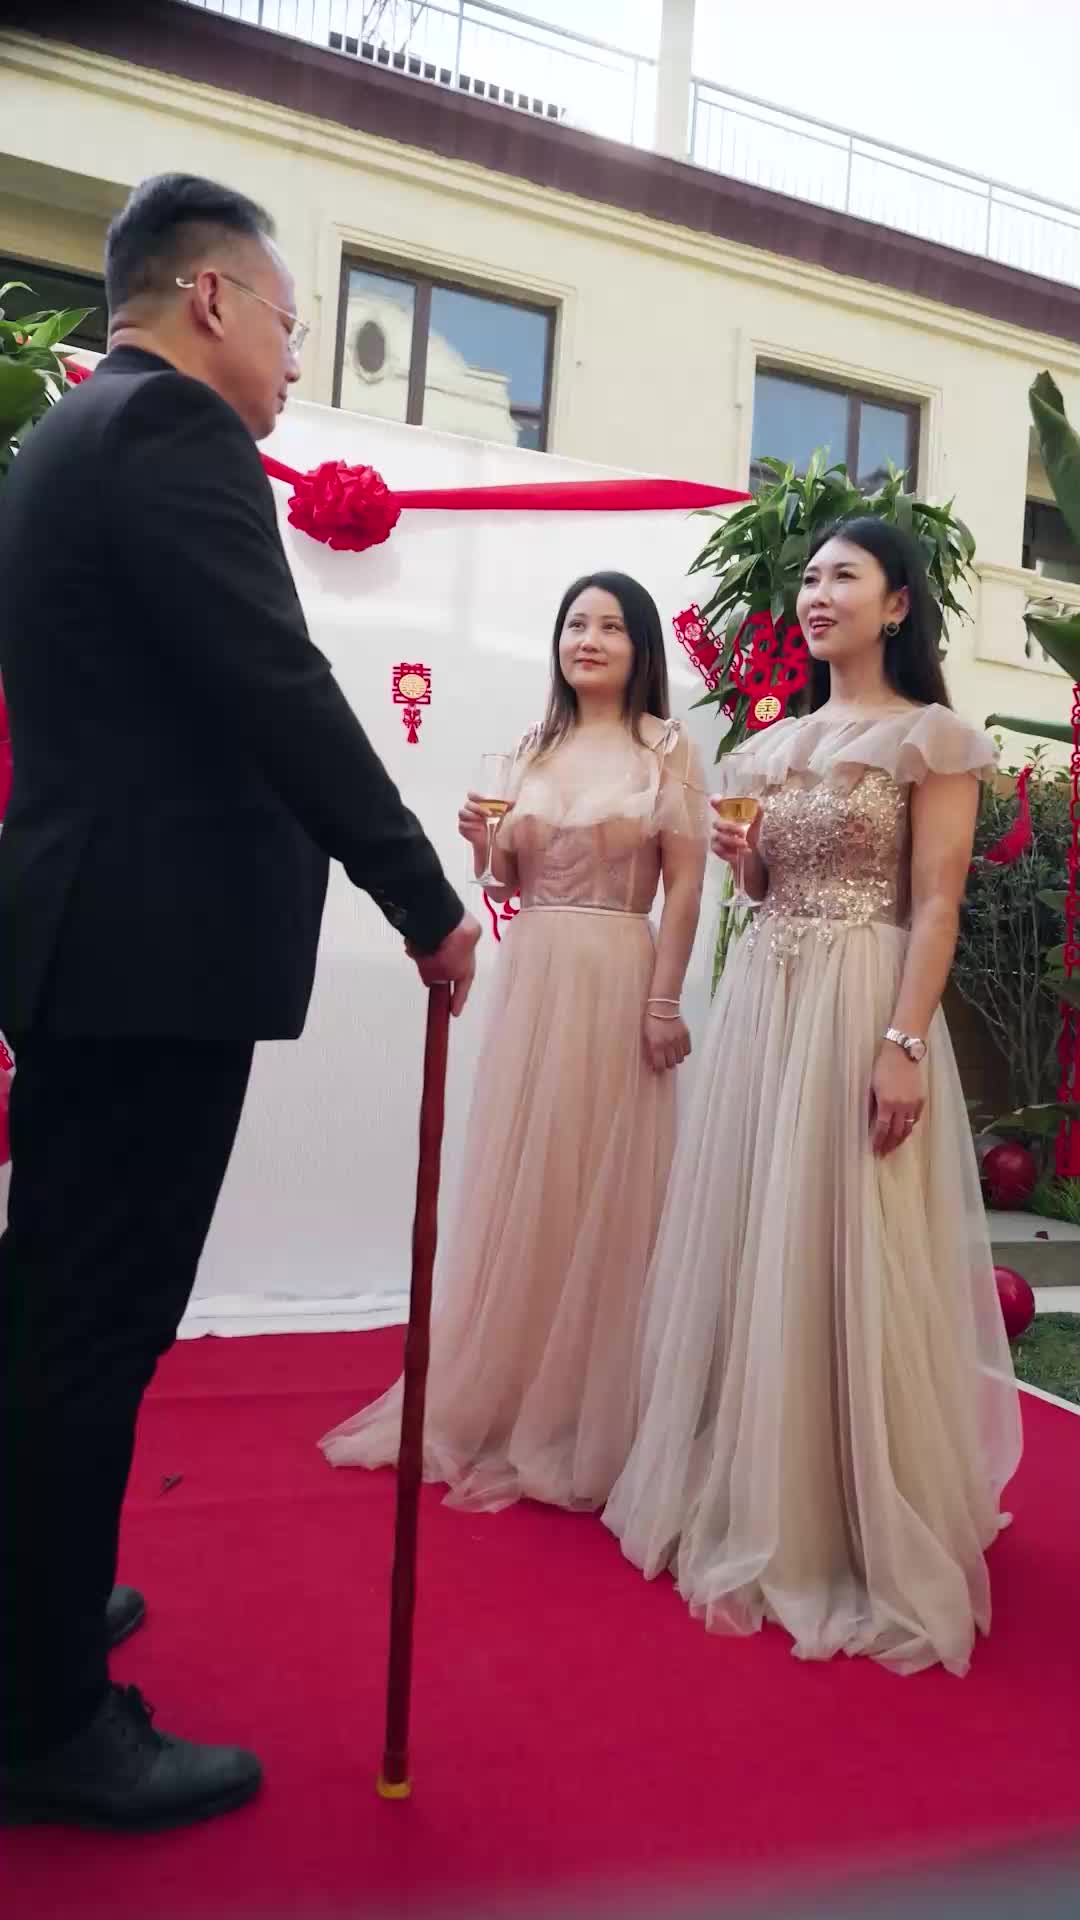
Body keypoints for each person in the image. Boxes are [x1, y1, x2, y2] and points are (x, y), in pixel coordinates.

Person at [0, 173, 480, 1828]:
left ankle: (34, 1610)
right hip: (150, 953)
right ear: (210, 299)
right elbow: (277, 685)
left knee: (54, 1312)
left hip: (91, 941)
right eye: (289, 321)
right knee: (91, 1326)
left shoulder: (67, 436)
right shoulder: (171, 434)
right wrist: (423, 897)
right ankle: (46, 1721)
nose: (293, 359)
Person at [604, 518, 1022, 1677]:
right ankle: (757, 1481)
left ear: (898, 605)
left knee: (852, 1236)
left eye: (845, 575)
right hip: (768, 1002)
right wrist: (745, 861)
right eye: (810, 577)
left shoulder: (931, 738)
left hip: (859, 1001)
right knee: (763, 1232)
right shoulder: (767, 746)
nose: (817, 592)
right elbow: (760, 883)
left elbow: (936, 905)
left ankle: (850, 1507)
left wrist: (903, 1042)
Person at [321, 572, 707, 1512]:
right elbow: (503, 882)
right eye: (575, 623)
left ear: (641, 648)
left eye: (610, 626)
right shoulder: (535, 747)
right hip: (535, 974)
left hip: (617, 971)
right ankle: (509, 1388)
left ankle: (592, 1408)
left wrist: (664, 1003)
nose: (589, 639)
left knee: (604, 1181)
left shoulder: (667, 750)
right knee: (527, 1173)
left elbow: (689, 888)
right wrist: (478, 845)